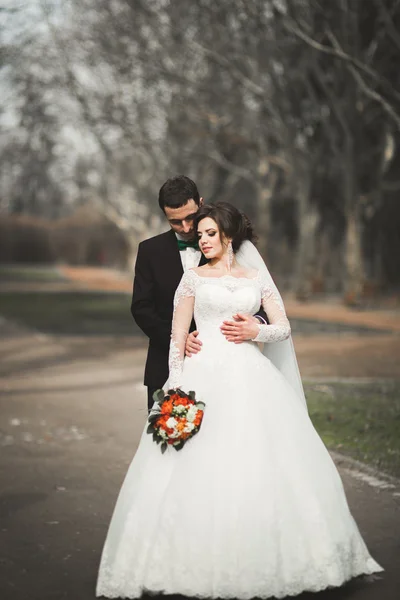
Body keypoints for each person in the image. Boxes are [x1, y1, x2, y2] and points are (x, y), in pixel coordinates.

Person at [97, 202, 382, 599]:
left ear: (229, 236)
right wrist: (177, 388)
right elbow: (177, 338)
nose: (204, 240)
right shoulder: (192, 279)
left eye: (210, 234)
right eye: (201, 236)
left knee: (262, 461)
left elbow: (282, 327)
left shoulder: (256, 279)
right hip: (202, 379)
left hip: (252, 379)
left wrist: (255, 330)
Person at [131, 175, 267, 411]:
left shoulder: (231, 245)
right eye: (175, 222)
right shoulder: (149, 251)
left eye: (190, 218)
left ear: (201, 203)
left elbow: (260, 298)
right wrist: (178, 340)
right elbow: (141, 308)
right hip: (164, 364)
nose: (185, 228)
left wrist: (255, 324)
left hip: (229, 368)